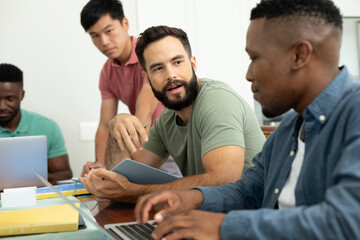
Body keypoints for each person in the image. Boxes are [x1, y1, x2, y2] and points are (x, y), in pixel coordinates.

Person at [134, 0, 360, 239]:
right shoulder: (290, 127)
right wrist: (193, 197)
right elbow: (247, 192)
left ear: (299, 55)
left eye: (255, 58)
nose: (248, 74)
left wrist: (223, 227)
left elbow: (347, 222)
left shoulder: (354, 115)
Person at [79, 25, 265, 203]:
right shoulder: (167, 120)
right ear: (147, 78)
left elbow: (223, 183)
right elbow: (120, 179)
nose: (171, 75)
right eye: (158, 68)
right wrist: (115, 128)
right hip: (208, 217)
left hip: (253, 219)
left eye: (177, 62)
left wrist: (133, 192)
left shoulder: (217, 101)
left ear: (193, 64)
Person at [79, 0, 180, 176]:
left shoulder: (149, 54)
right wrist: (100, 163)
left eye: (109, 31)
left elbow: (144, 114)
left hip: (172, 143)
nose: (104, 42)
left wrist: (125, 165)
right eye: (95, 36)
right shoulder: (107, 72)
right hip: (145, 142)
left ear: (125, 24)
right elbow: (105, 124)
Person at [0, 63, 72, 184]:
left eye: (10, 99)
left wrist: (30, 178)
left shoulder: (47, 126)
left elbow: (65, 174)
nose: (2, 106)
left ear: (22, 95)